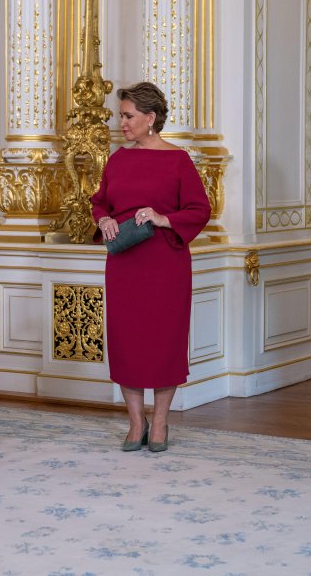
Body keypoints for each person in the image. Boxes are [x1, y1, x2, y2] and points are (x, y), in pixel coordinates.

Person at [89, 82, 211, 453]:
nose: (122, 123)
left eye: (128, 116)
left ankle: (159, 422)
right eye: (121, 116)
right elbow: (99, 202)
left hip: (164, 266)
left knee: (162, 344)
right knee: (127, 343)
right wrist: (105, 219)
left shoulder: (178, 161)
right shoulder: (118, 160)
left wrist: (162, 218)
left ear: (150, 118)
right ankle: (135, 422)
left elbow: (199, 210)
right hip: (124, 266)